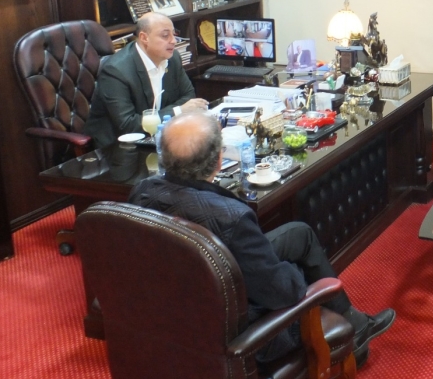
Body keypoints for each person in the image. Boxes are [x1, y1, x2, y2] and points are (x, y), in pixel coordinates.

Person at [128, 112, 395, 365]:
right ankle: (349, 339)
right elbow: (281, 293)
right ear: (219, 160)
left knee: (299, 234)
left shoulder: (143, 191)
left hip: (182, 300)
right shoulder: (232, 217)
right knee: (295, 274)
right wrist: (294, 273)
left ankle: (355, 322)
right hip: (239, 327)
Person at [85, 12, 208, 147]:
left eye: (174, 34)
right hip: (117, 147)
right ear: (144, 38)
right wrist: (177, 111)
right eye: (165, 35)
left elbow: (188, 96)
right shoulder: (116, 70)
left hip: (158, 138)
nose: (173, 41)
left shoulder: (173, 58)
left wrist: (168, 114)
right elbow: (127, 125)